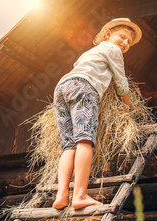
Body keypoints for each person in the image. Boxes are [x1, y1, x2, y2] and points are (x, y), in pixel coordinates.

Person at [52, 18, 142, 210]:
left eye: (129, 42)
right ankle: (80, 195)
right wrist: (126, 109)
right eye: (122, 37)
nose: (125, 43)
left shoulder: (89, 52)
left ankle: (61, 196)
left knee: (68, 146)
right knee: (84, 140)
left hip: (61, 88)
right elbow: (121, 82)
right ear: (108, 34)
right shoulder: (113, 50)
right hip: (84, 88)